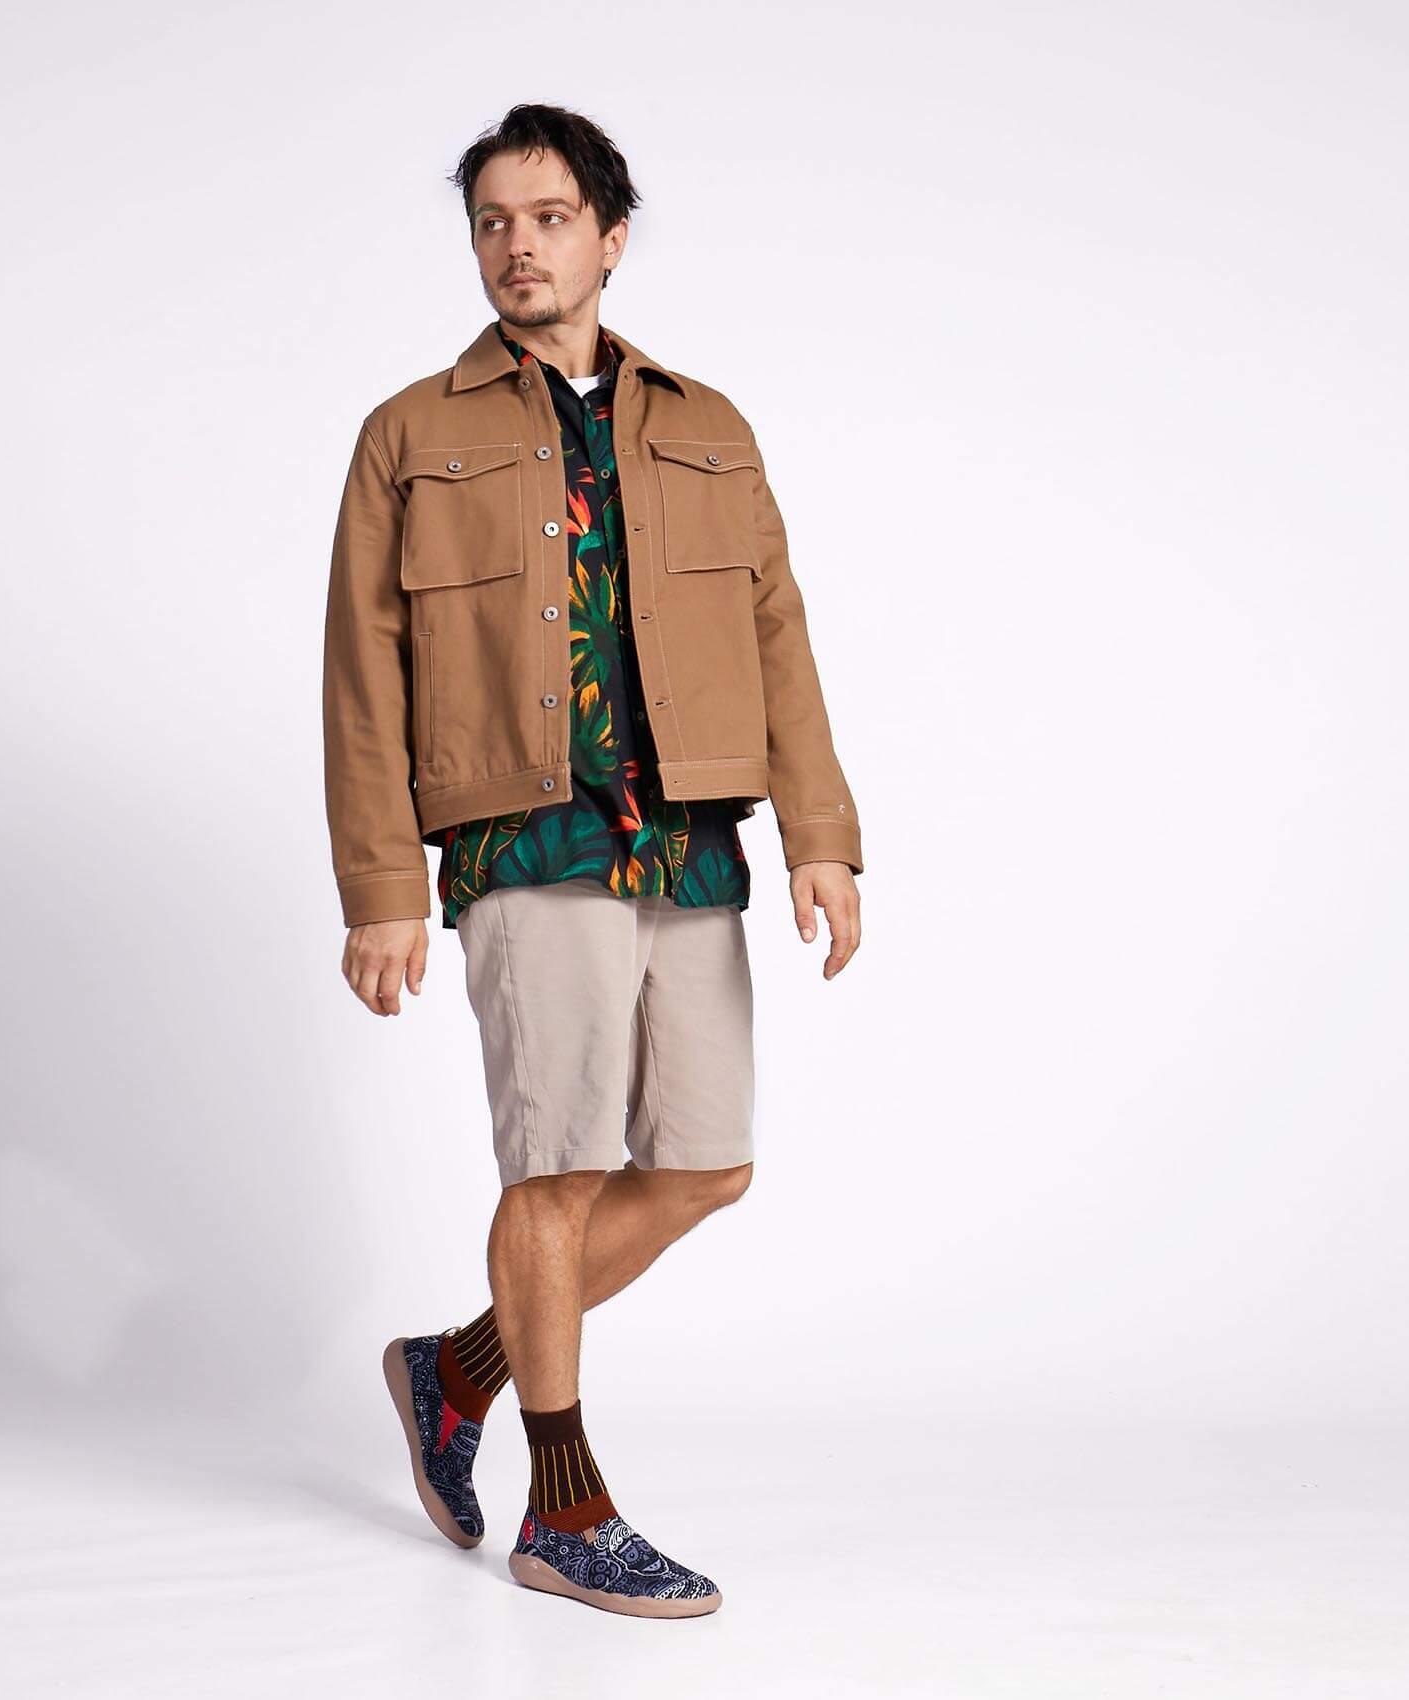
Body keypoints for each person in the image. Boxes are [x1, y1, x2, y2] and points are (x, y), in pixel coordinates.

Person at [321, 102, 865, 1618]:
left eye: (550, 217)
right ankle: (563, 1508)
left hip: (687, 835)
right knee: (554, 1168)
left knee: (706, 1164)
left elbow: (777, 634)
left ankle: (456, 1370)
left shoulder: (709, 425)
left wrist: (821, 835)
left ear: (611, 240)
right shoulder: (410, 434)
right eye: (493, 220)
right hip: (526, 833)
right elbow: (362, 672)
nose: (519, 245)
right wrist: (381, 886)